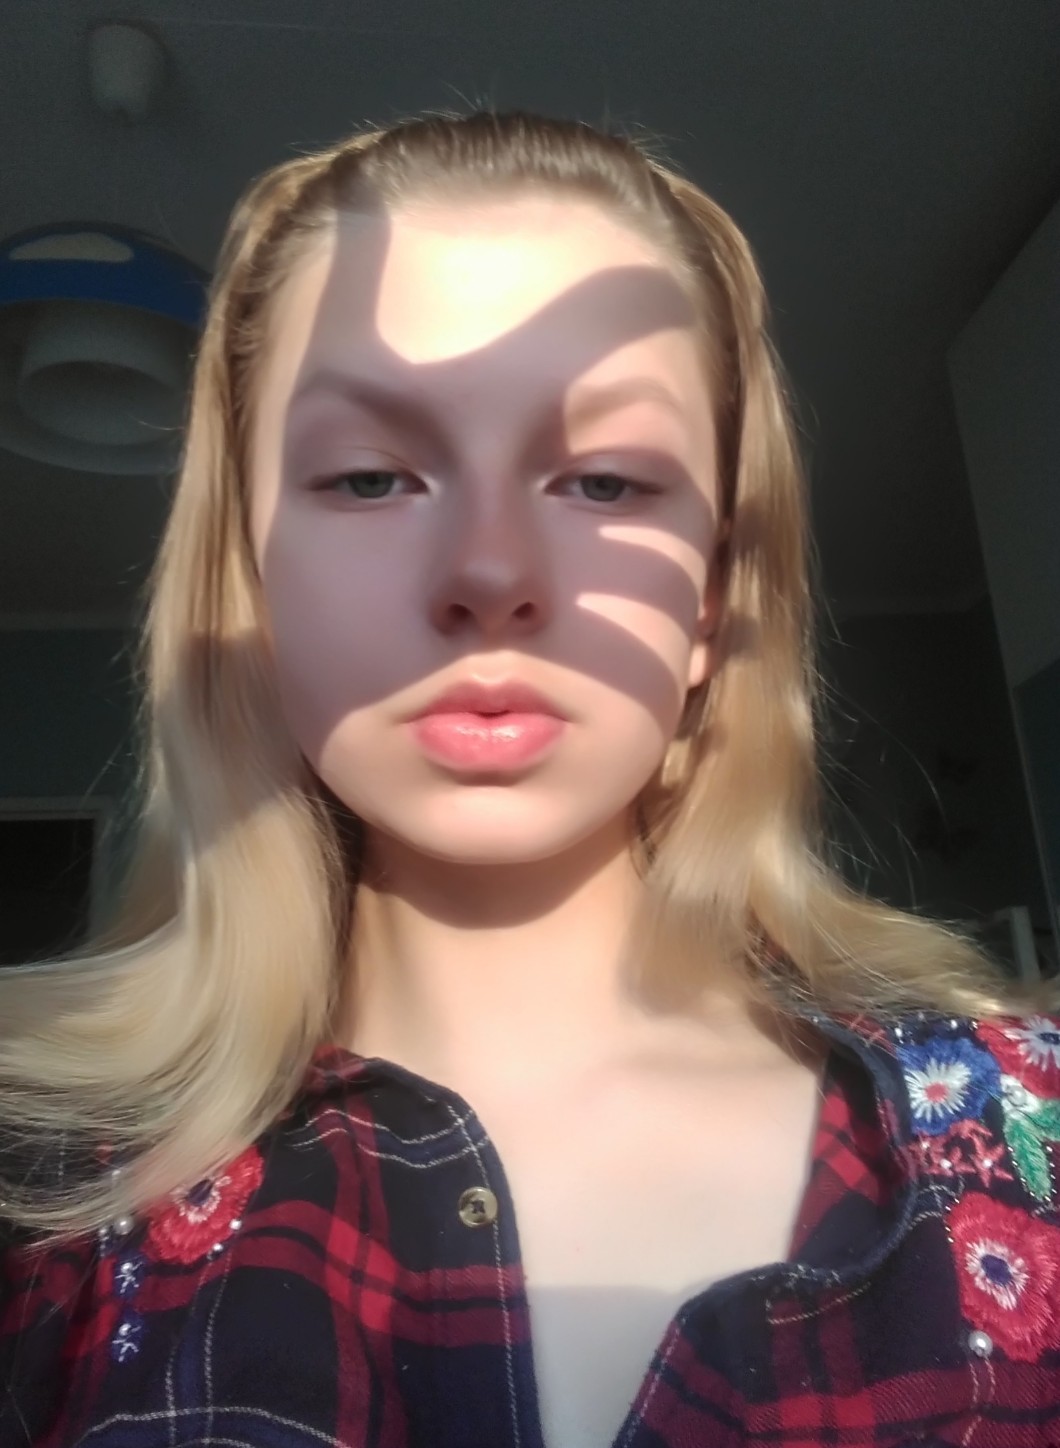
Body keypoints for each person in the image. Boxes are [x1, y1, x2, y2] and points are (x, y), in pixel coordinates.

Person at [1, 108, 1058, 1448]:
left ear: (709, 605)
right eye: (371, 478)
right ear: (253, 586)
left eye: (606, 482)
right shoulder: (38, 1188)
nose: (490, 574)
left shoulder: (1033, 1133)